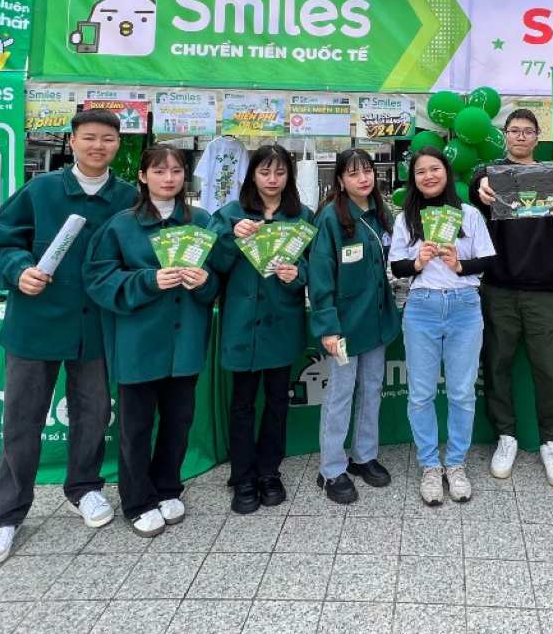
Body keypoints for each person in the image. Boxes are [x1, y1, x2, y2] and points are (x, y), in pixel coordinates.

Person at [0, 109, 137, 567]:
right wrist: (17, 271)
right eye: (89, 138)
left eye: (107, 139)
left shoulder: (126, 198)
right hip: (37, 323)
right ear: (72, 141)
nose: (98, 146)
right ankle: (6, 515)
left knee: (92, 413)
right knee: (22, 419)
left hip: (96, 327)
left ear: (118, 145)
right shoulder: (41, 190)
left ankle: (84, 488)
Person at [84, 146, 218, 537]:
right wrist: (147, 280)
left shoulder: (203, 222)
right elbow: (98, 279)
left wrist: (205, 281)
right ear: (142, 176)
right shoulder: (121, 226)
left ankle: (168, 486)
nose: (169, 178)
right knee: (136, 425)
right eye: (159, 171)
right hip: (138, 343)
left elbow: (219, 280)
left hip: (186, 339)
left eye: (176, 170)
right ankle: (137, 500)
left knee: (179, 420)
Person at [469, 108, 553, 487]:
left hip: (543, 290)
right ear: (505, 135)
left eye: (528, 131)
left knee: (550, 369)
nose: (520, 136)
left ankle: (551, 441)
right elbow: (477, 186)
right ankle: (506, 436)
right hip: (498, 287)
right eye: (514, 130)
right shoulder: (490, 174)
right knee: (498, 363)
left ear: (538, 138)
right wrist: (480, 190)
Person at [388, 147, 496, 505]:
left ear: (447, 173)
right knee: (420, 393)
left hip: (465, 306)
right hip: (422, 307)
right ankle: (430, 466)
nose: (428, 176)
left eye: (435, 169)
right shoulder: (406, 218)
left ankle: (456, 464)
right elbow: (396, 268)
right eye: (421, 172)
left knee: (462, 391)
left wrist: (460, 264)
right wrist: (417, 262)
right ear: (413, 179)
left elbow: (489, 261)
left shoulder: (468, 214)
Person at [209, 144, 313, 514]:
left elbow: (312, 271)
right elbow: (211, 266)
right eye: (265, 172)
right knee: (242, 403)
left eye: (280, 172)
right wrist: (232, 238)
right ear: (252, 174)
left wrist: (295, 275)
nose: (272, 180)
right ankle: (242, 475)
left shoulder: (301, 216)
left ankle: (270, 471)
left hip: (281, 323)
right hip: (241, 324)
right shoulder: (229, 215)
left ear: (289, 176)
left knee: (276, 400)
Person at [308, 148, 399, 504]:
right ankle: (330, 469)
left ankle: (364, 456)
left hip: (376, 322)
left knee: (372, 388)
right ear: (341, 181)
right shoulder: (331, 218)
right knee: (340, 395)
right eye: (353, 173)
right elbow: (320, 278)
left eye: (368, 171)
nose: (363, 179)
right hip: (345, 327)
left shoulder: (381, 214)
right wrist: (328, 327)